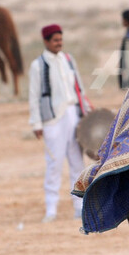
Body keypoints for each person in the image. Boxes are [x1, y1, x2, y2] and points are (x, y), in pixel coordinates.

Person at [28, 24, 89, 222]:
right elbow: (33, 96)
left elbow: (79, 88)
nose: (59, 43)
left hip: (73, 116)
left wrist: (87, 111)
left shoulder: (69, 60)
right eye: (55, 40)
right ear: (46, 42)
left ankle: (79, 207)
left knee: (77, 163)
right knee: (54, 164)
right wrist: (36, 123)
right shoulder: (38, 65)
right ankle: (51, 209)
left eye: (60, 40)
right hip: (52, 120)